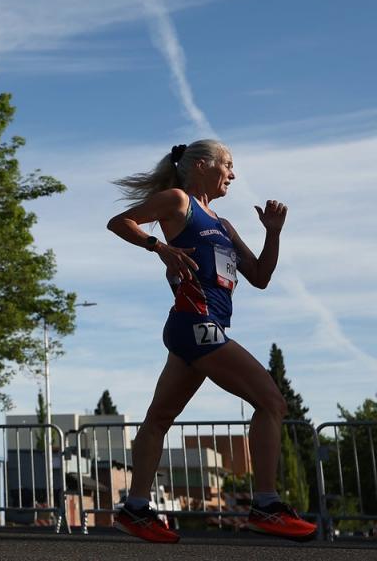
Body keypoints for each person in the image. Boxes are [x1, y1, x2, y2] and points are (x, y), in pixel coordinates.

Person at [106, 139, 316, 544]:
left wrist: (272, 233)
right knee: (271, 401)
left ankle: (134, 509)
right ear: (202, 165)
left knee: (158, 419)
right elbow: (120, 222)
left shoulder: (222, 224)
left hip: (199, 328)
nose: (233, 175)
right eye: (229, 165)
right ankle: (267, 506)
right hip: (196, 324)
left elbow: (260, 276)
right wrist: (159, 248)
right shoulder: (178, 201)